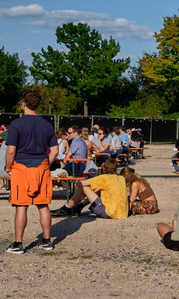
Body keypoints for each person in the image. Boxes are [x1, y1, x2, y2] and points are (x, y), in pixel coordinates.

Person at [4, 90, 59, 254]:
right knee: (43, 206)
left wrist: (8, 168)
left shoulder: (16, 124)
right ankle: (47, 241)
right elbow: (55, 151)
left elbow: (11, 151)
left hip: (21, 168)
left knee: (21, 206)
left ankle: (18, 243)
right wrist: (45, 165)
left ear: (23, 103)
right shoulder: (47, 124)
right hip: (41, 167)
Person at [51, 158, 128, 219]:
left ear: (104, 168)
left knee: (84, 187)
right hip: (122, 213)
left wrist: (71, 178)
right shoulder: (121, 178)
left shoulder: (104, 178)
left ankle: (67, 209)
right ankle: (78, 207)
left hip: (109, 212)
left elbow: (79, 184)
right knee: (99, 190)